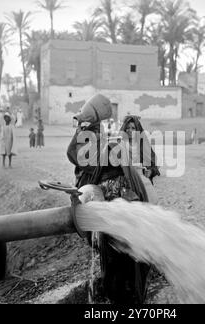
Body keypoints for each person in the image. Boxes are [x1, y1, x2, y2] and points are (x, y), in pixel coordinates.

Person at [67, 94, 153, 304]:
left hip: (119, 203)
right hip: (115, 201)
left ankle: (122, 293)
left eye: (134, 130)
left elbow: (74, 154)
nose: (131, 132)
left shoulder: (106, 148)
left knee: (121, 265)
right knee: (122, 264)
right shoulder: (101, 145)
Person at [120, 115, 160, 187]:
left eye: (133, 128)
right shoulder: (120, 144)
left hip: (141, 182)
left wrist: (150, 172)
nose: (130, 131)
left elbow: (153, 164)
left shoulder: (143, 145)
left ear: (137, 130)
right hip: (125, 182)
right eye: (127, 128)